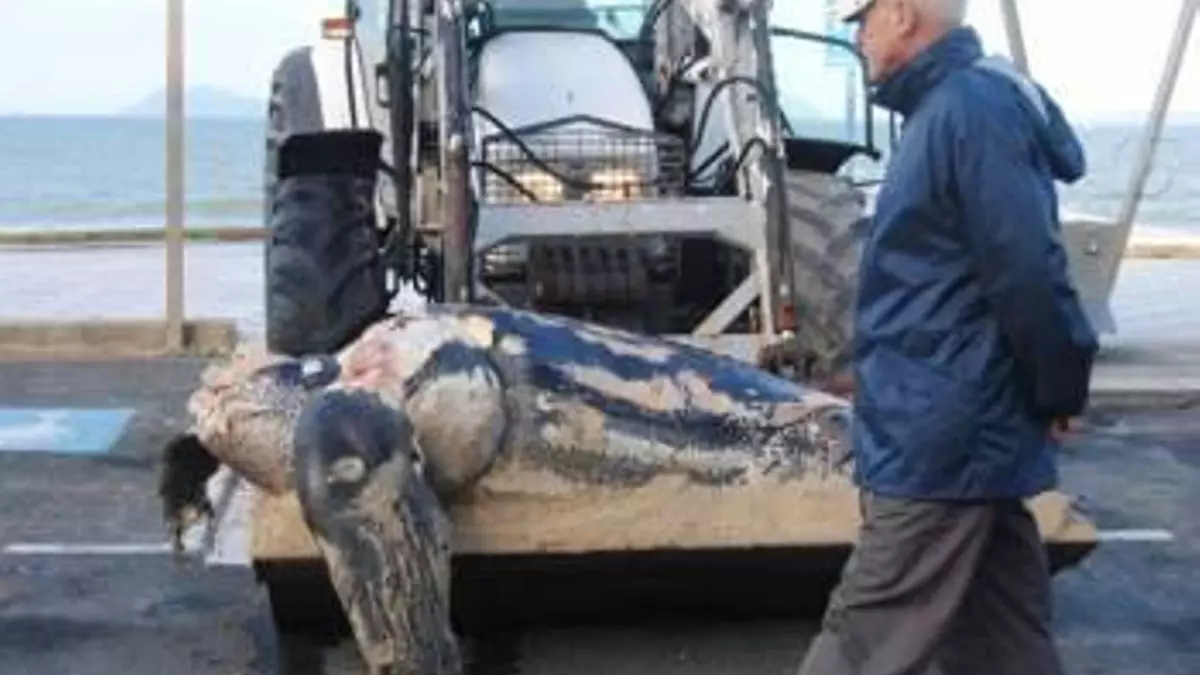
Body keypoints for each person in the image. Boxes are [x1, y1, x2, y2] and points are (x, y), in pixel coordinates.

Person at [796, 1, 1099, 674]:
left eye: (864, 18)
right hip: (956, 427)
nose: (857, 36)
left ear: (903, 15)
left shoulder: (968, 111)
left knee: (864, 638)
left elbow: (1027, 269)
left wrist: (1059, 386)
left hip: (946, 437)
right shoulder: (946, 111)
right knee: (1001, 636)